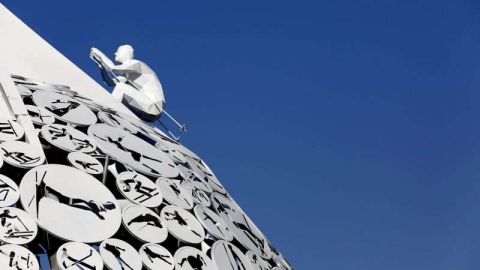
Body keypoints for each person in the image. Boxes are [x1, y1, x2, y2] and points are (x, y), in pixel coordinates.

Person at [90, 45, 165, 122]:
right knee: (121, 88)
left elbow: (113, 68)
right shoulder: (130, 75)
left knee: (121, 87)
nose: (115, 53)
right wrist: (102, 67)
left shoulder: (138, 64)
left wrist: (100, 54)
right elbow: (109, 83)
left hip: (153, 106)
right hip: (147, 109)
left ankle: (106, 109)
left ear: (125, 53)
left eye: (118, 51)